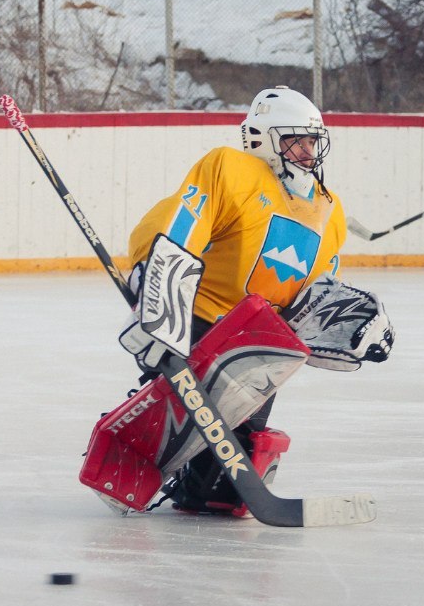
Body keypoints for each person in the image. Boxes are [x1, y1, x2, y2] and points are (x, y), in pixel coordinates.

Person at [116, 85, 394, 515]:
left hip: (256, 339)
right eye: (294, 140)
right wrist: (160, 308)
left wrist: (345, 326)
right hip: (200, 317)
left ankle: (197, 487)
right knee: (180, 422)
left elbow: (314, 289)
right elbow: (183, 228)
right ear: (262, 138)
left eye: (312, 141)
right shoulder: (230, 168)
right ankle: (126, 458)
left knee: (221, 490)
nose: (306, 150)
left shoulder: (329, 207)